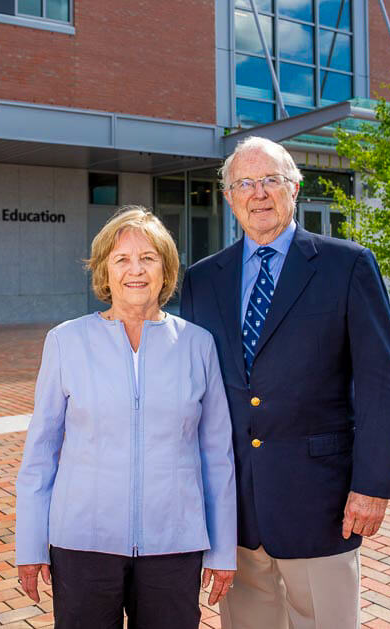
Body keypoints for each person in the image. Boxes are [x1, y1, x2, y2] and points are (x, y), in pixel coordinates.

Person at [180, 136, 390, 628]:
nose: (258, 193)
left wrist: (372, 485)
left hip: (320, 502)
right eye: (244, 183)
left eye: (270, 181)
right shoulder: (202, 280)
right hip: (235, 508)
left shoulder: (348, 265)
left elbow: (380, 383)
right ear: (228, 196)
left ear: (294, 188)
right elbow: (192, 391)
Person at [15, 206, 237, 628]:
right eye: (122, 259)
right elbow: (41, 452)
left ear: (166, 269)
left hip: (174, 544)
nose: (135, 270)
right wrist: (29, 543)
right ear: (105, 271)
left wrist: (223, 548)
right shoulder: (66, 342)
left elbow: (218, 456)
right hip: (82, 543)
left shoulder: (198, 345)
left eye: (148, 258)